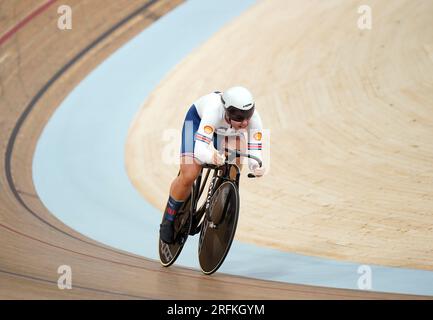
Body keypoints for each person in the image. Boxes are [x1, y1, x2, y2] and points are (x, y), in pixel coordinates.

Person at [159, 86, 265, 244]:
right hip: (197, 123)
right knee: (189, 174)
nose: (245, 122)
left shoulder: (253, 119)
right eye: (240, 118)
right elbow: (199, 150)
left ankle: (223, 197)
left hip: (228, 134)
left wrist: (256, 167)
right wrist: (211, 156)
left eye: (247, 117)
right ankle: (169, 217)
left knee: (235, 162)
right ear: (227, 112)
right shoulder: (213, 111)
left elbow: (255, 149)